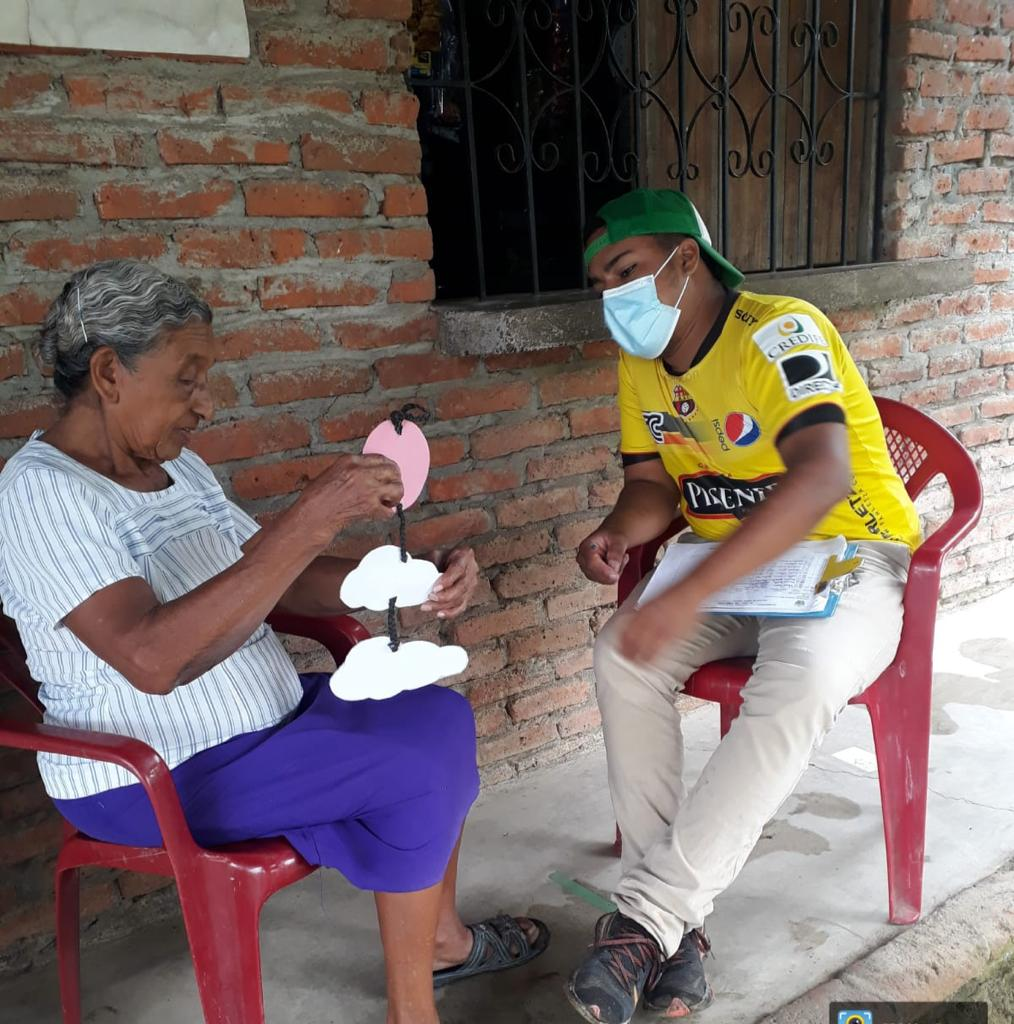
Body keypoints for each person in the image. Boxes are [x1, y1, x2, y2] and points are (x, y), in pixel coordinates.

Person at [0, 260, 548, 1024]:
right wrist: (311, 516)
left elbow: (273, 578)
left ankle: (439, 941)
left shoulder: (178, 469)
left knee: (439, 717)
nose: (205, 404)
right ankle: (414, 1007)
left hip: (264, 724)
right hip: (154, 769)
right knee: (416, 768)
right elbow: (152, 660)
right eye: (187, 380)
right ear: (109, 373)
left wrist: (409, 579)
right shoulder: (41, 492)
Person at [566, 190, 919, 1024]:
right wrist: (616, 532)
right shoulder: (641, 363)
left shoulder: (779, 331)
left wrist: (685, 592)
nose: (612, 294)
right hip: (732, 563)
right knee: (622, 654)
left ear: (685, 259)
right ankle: (672, 933)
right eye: (599, 283)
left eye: (624, 269)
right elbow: (651, 484)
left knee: (802, 680)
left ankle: (645, 921)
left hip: (845, 553)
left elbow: (823, 474)